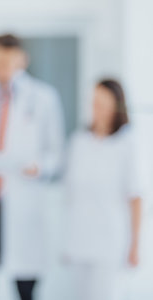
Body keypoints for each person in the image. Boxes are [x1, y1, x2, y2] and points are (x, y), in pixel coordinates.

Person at [0, 34, 65, 300]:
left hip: (24, 195)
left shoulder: (43, 98)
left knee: (25, 278)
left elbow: (55, 155)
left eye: (7, 60)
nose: (1, 66)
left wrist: (38, 167)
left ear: (22, 60)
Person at [63, 79, 141, 300]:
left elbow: (135, 196)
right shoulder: (79, 142)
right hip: (79, 241)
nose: (97, 109)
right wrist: (67, 240)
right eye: (95, 102)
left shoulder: (126, 144)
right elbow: (71, 196)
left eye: (103, 103)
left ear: (116, 107)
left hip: (110, 242)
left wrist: (135, 244)